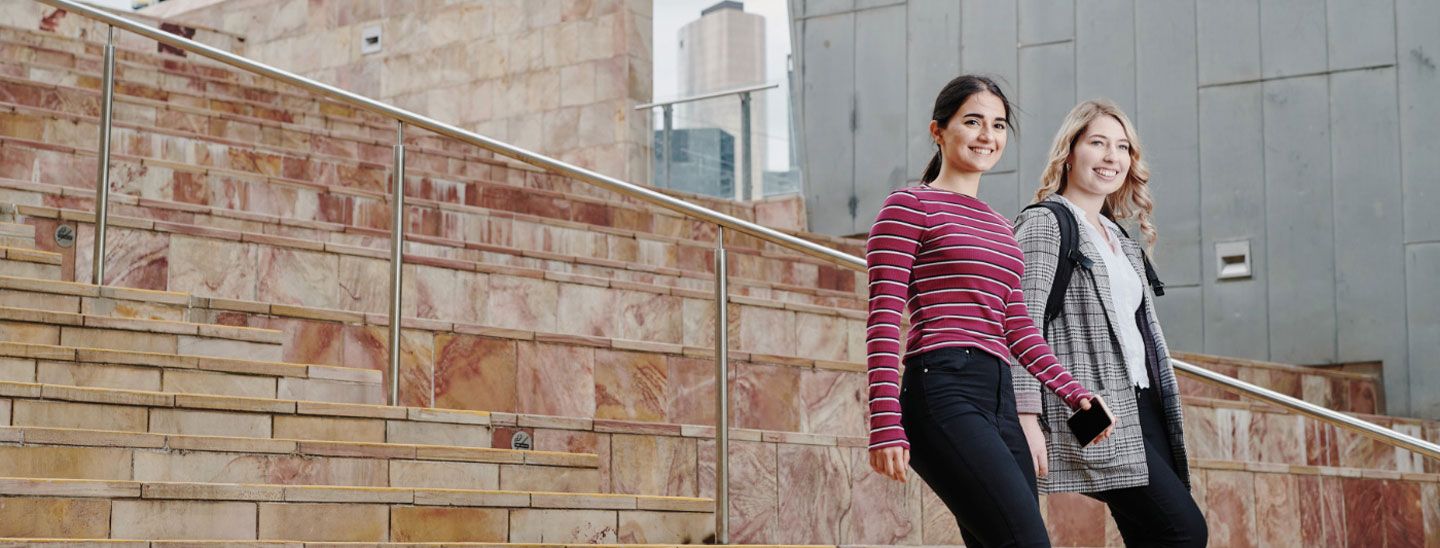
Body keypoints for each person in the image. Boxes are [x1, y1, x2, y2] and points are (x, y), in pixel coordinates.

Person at [864, 74, 1114, 548]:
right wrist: (884, 422)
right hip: (942, 388)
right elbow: (883, 317)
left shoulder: (1002, 227)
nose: (987, 136)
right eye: (973, 121)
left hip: (999, 398)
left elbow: (1018, 327)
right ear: (938, 131)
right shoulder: (909, 205)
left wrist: (1074, 394)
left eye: (998, 125)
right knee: (1025, 540)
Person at [1012, 99, 1207, 547]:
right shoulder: (1046, 224)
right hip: (1093, 409)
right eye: (1097, 143)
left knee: (1151, 535)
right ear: (1070, 151)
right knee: (1184, 532)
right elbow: (1018, 323)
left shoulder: (1119, 236)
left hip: (1144, 403)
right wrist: (1026, 415)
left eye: (1122, 148)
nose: (1111, 157)